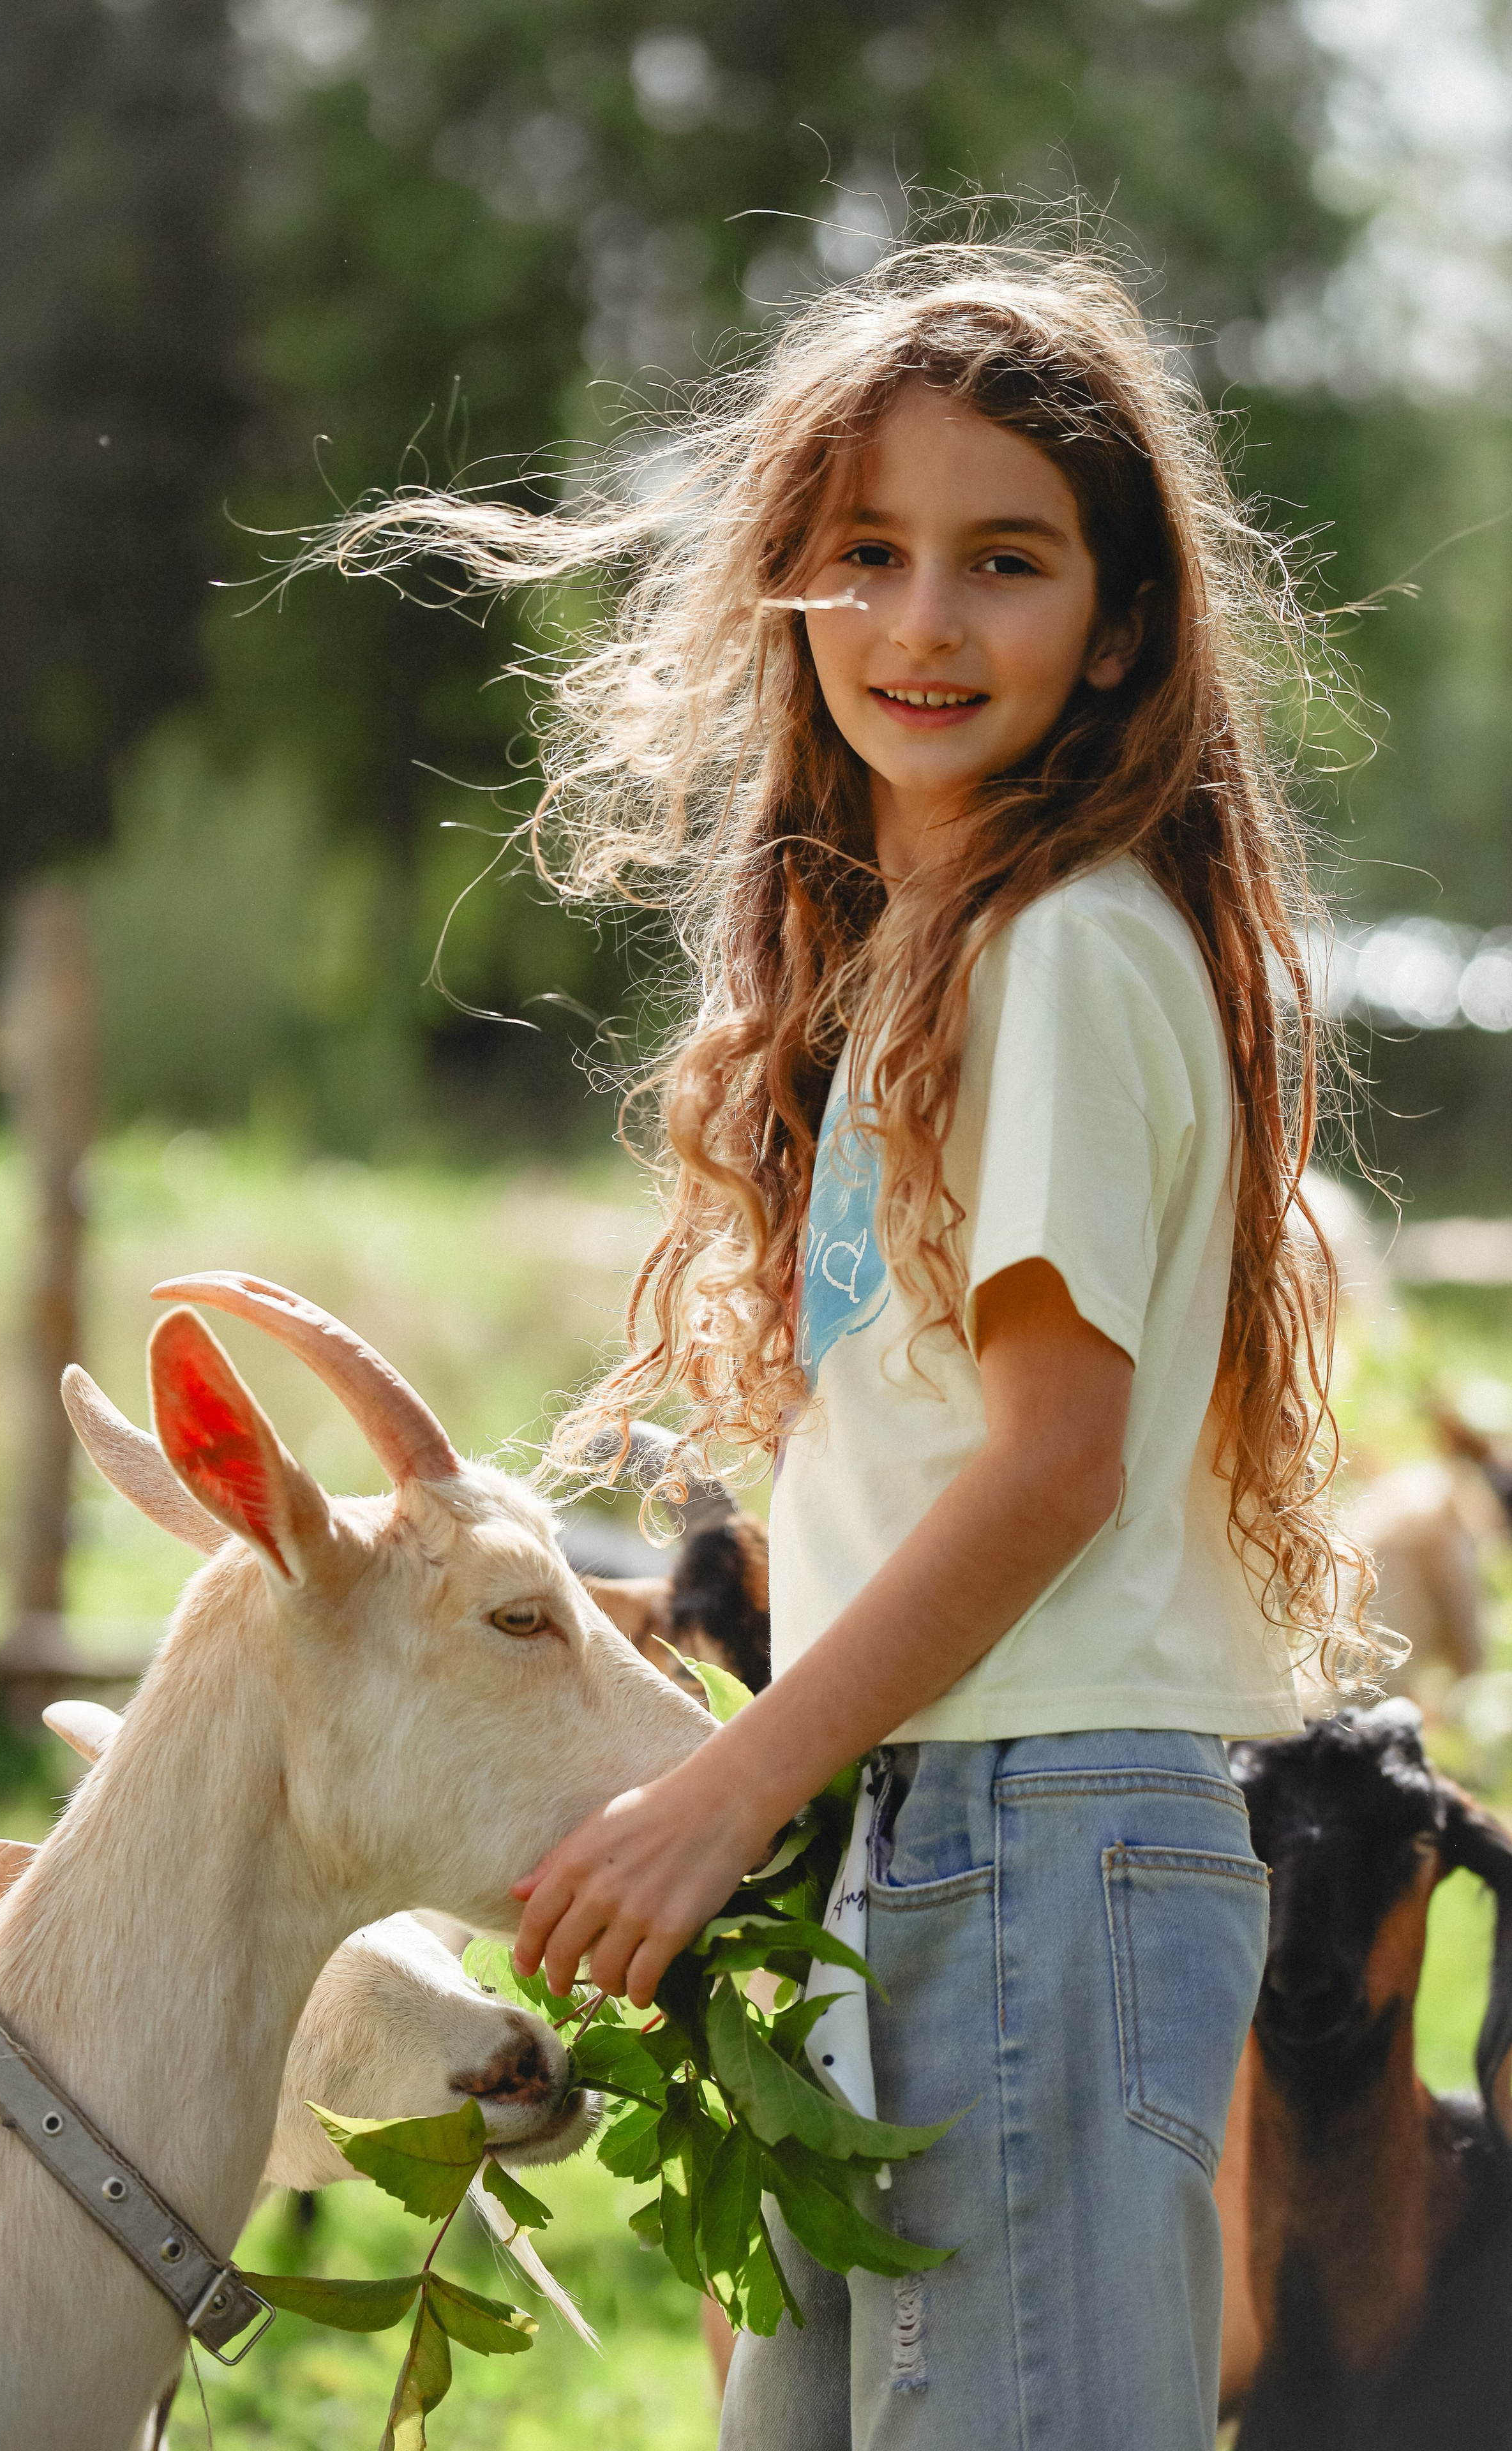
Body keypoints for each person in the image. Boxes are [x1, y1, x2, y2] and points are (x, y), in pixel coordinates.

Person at [311, 233, 1383, 2450]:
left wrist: (729, 1797)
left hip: (1042, 1829)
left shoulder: (1072, 956)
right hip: (917, 1820)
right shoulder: (924, 960)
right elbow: (921, 1456)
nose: (921, 621)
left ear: (1118, 633)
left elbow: (1055, 1465)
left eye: (1005, 561)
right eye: (866, 553)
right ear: (788, 586)